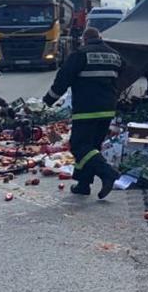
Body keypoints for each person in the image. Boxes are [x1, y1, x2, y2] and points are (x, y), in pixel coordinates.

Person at [42, 27, 122, 199]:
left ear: (84, 40)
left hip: (87, 109)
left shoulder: (81, 54)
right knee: (91, 147)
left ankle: (107, 173)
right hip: (108, 109)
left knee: (79, 146)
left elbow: (63, 78)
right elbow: (122, 78)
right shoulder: (115, 55)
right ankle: (83, 184)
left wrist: (49, 100)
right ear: (99, 37)